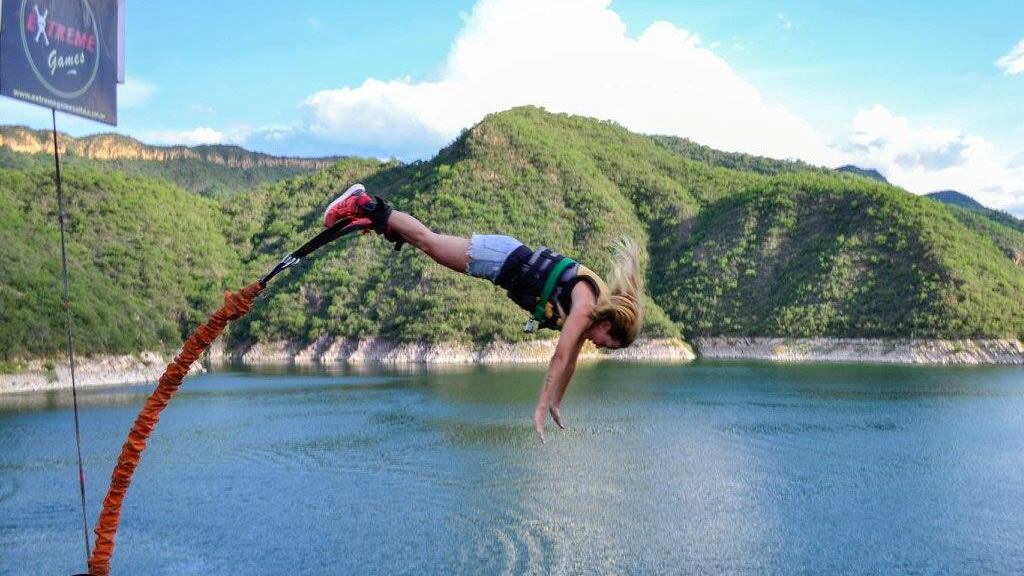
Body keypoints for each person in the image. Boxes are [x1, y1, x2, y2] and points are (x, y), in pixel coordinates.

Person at [324, 184, 645, 442]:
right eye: (608, 342)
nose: (601, 346)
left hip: (501, 263)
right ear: (607, 323)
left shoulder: (590, 312)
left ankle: (382, 222)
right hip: (501, 258)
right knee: (429, 243)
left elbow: (572, 362)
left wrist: (557, 403)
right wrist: (540, 406)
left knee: (428, 244)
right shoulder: (586, 304)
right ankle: (363, 203)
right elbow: (560, 358)